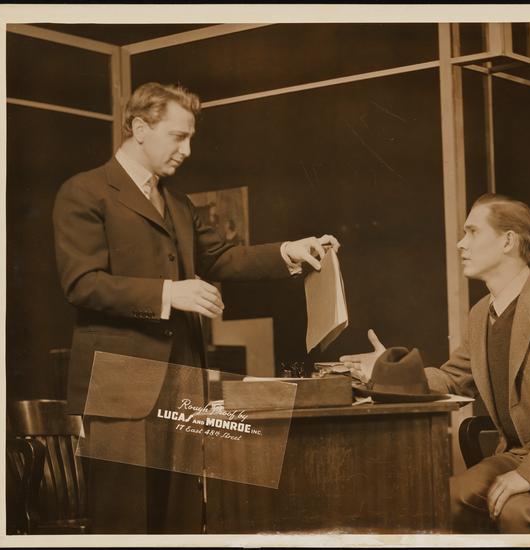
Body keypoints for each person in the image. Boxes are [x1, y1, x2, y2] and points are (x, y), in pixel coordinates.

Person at [53, 82, 339, 533]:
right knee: (125, 524)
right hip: (120, 390)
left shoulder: (178, 203)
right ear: (140, 129)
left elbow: (222, 257)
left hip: (182, 383)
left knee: (181, 521)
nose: (187, 150)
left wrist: (290, 250)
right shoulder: (84, 192)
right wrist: (169, 294)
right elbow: (82, 284)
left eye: (190, 138)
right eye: (178, 136)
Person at [341, 193, 530, 534]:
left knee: (516, 512)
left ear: (508, 241)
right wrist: (387, 370)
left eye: (472, 232)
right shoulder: (481, 315)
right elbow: (451, 378)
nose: (461, 243)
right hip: (515, 456)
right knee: (438, 502)